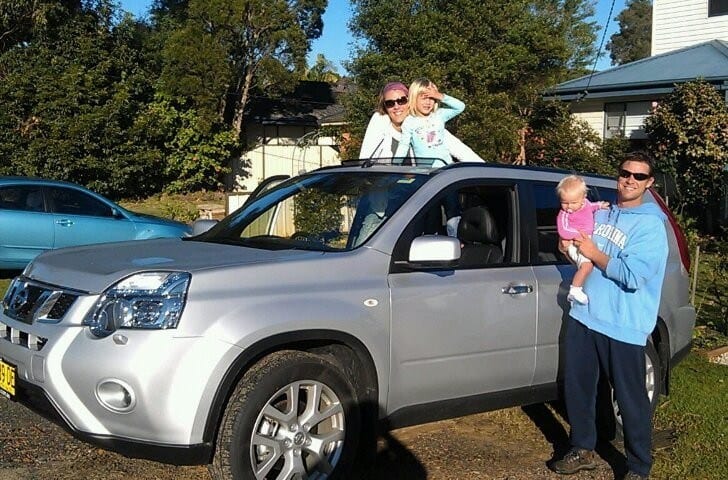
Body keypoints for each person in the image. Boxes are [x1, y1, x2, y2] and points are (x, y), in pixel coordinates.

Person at [550, 152, 669, 480]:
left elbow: (633, 276)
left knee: (631, 400)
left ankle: (638, 467)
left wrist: (595, 254)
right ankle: (583, 448)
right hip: (585, 317)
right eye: (625, 173)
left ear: (649, 183)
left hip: (624, 325)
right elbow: (582, 258)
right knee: (579, 389)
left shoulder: (651, 226)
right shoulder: (601, 215)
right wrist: (570, 250)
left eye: (639, 176)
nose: (630, 179)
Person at [359, 81, 483, 162]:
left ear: (410, 101)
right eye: (390, 103)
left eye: (402, 100)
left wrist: (485, 171)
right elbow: (365, 158)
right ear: (385, 107)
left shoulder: (429, 123)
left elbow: (460, 150)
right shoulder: (381, 122)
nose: (396, 106)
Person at [555, 175, 609, 304]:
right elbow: (563, 231)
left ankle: (576, 288)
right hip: (574, 242)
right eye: (564, 203)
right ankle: (575, 290)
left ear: (583, 198)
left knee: (588, 265)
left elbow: (591, 207)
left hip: (585, 239)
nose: (568, 207)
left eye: (573, 203)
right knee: (586, 265)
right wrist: (577, 234)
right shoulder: (563, 214)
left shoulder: (585, 204)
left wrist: (600, 205)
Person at [393, 78, 465, 164]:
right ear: (414, 99)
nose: (428, 102)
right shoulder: (409, 122)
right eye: (424, 98)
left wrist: (440, 96)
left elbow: (460, 107)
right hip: (425, 170)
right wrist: (395, 164)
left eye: (432, 98)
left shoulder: (439, 115)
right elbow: (404, 145)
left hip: (446, 166)